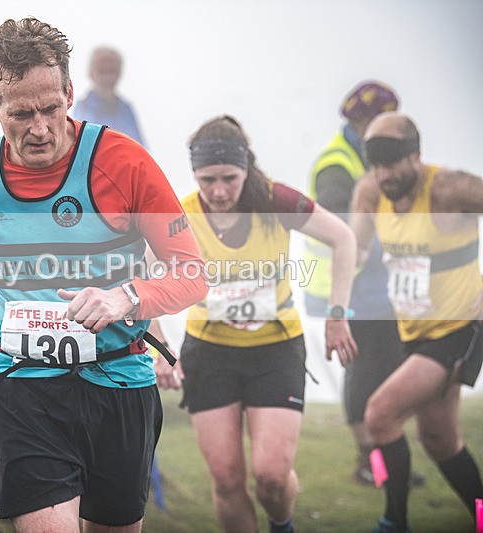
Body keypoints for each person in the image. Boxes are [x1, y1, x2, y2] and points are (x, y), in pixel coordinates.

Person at [0, 17, 207, 532]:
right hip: (25, 387)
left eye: (51, 109)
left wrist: (125, 296)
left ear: (69, 94)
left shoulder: (125, 163)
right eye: (20, 114)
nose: (39, 128)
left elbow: (192, 274)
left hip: (119, 382)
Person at [155, 115, 358, 533]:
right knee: (227, 478)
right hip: (209, 353)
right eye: (206, 179)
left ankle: (282, 525)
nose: (218, 191)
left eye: (229, 177)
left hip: (275, 349)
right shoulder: (182, 214)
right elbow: (138, 277)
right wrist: (158, 348)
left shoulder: (275, 200)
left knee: (270, 475)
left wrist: (339, 315)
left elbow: (343, 238)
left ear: (246, 167)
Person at [350, 111, 483, 532]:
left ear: (417, 156)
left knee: (379, 414)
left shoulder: (447, 188)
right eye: (376, 165)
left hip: (461, 329)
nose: (384, 175)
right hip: (415, 331)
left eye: (392, 164)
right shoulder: (371, 191)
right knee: (440, 442)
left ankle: (394, 522)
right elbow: (351, 252)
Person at [303, 81, 424, 487]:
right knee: (365, 369)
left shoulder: (368, 159)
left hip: (376, 285)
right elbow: (341, 229)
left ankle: (386, 460)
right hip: (347, 287)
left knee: (386, 367)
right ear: (359, 120)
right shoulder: (337, 164)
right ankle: (370, 463)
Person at [71, 46, 146, 146]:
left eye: (111, 71)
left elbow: (139, 148)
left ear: (119, 74)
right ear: (91, 73)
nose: (107, 78)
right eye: (102, 71)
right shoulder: (82, 109)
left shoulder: (126, 110)